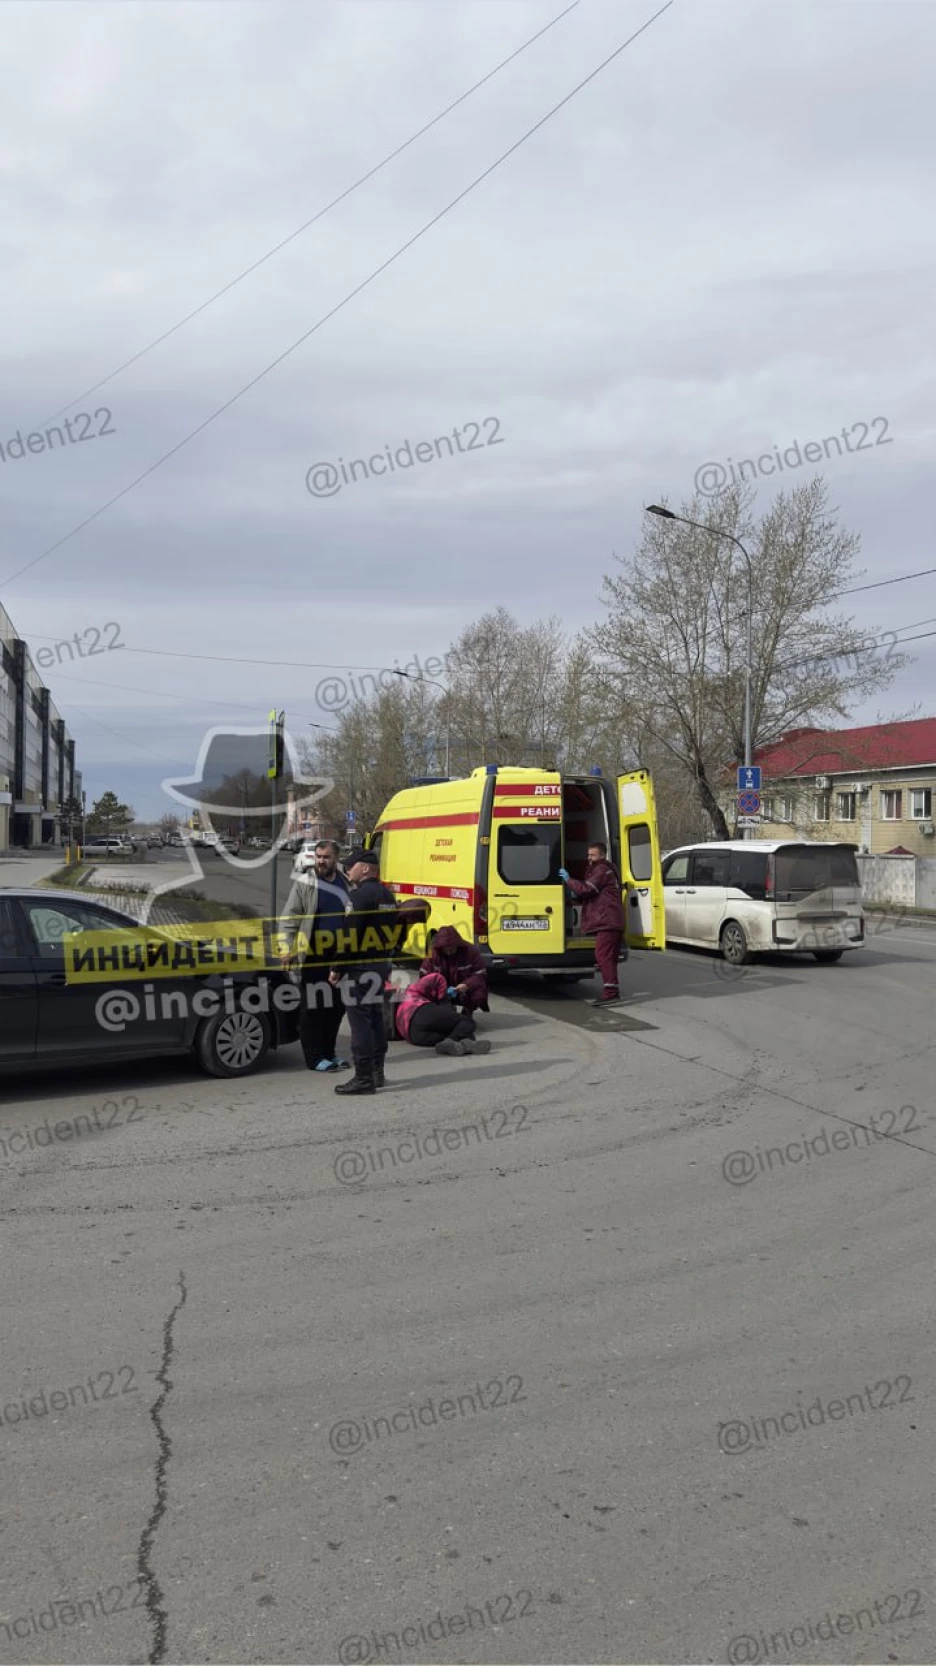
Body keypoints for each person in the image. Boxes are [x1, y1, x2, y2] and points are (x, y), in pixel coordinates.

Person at [332, 848, 407, 1095]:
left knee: (360, 1023)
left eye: (351, 865)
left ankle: (363, 1078)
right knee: (375, 1019)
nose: (347, 869)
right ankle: (377, 1072)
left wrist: (336, 967)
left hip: (360, 969)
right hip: (380, 966)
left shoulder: (360, 896)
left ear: (365, 868)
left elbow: (348, 935)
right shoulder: (387, 895)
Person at [280, 840, 352, 1072]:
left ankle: (329, 1053)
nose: (321, 861)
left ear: (336, 858)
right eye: (318, 856)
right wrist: (286, 949)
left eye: (326, 857)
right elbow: (290, 919)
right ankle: (314, 1057)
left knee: (336, 1007)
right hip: (312, 955)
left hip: (338, 956)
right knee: (313, 1008)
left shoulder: (346, 883)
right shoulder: (306, 883)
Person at [558, 841, 627, 1004]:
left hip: (608, 920)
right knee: (608, 956)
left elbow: (587, 889)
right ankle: (613, 989)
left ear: (602, 855)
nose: (589, 858)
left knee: (603, 955)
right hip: (611, 919)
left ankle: (610, 992)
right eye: (588, 855)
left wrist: (569, 881)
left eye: (593, 855)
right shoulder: (605, 868)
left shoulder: (601, 869)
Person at [395, 970, 491, 1055]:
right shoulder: (430, 983)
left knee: (454, 1032)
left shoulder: (406, 996)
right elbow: (437, 981)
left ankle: (464, 1044)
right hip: (419, 1010)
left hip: (412, 1035)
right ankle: (457, 1042)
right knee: (467, 1023)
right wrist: (445, 997)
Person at [420, 926, 489, 1017]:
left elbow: (480, 974)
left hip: (463, 990)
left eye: (452, 949)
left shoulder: (470, 951)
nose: (449, 952)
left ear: (458, 945)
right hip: (441, 990)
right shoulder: (433, 954)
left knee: (479, 992)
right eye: (446, 949)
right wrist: (438, 989)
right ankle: (443, 1010)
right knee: (425, 992)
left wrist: (467, 984)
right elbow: (423, 975)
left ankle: (468, 1011)